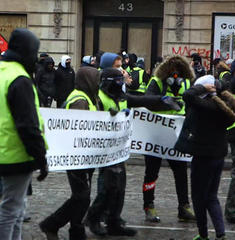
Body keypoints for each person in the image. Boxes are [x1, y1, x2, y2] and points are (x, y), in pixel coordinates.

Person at [0, 28, 48, 240]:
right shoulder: (20, 78)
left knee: (15, 211)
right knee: (10, 211)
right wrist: (40, 156)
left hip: (0, 149)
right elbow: (27, 124)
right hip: (17, 153)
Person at [175, 75, 235, 240]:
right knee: (212, 196)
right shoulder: (224, 107)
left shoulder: (204, 106)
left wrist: (203, 88)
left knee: (198, 196)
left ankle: (203, 234)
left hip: (203, 156)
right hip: (218, 155)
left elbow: (188, 95)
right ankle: (221, 233)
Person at [40, 67, 100, 240]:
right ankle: (51, 224)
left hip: (85, 156)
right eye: (95, 78)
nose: (98, 82)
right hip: (76, 157)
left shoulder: (88, 98)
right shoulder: (79, 100)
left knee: (83, 196)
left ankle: (76, 230)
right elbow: (78, 130)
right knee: (81, 196)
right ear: (88, 80)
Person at [143, 55, 196, 222]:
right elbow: (147, 100)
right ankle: (149, 206)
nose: (175, 77)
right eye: (172, 73)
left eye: (179, 73)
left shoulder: (187, 83)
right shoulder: (157, 82)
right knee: (151, 172)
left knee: (181, 171)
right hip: (156, 135)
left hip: (176, 135)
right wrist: (164, 102)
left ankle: (184, 206)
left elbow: (193, 105)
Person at [86, 68, 137, 237]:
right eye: (117, 80)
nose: (120, 84)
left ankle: (114, 221)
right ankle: (93, 217)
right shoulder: (99, 97)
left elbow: (142, 100)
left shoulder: (121, 97)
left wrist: (161, 100)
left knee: (120, 187)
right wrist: (111, 116)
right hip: (103, 150)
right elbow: (92, 121)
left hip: (118, 149)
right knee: (107, 187)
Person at [225, 59, 235, 223]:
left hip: (234, 132)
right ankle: (232, 210)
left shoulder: (231, 87)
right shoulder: (234, 86)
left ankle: (234, 209)